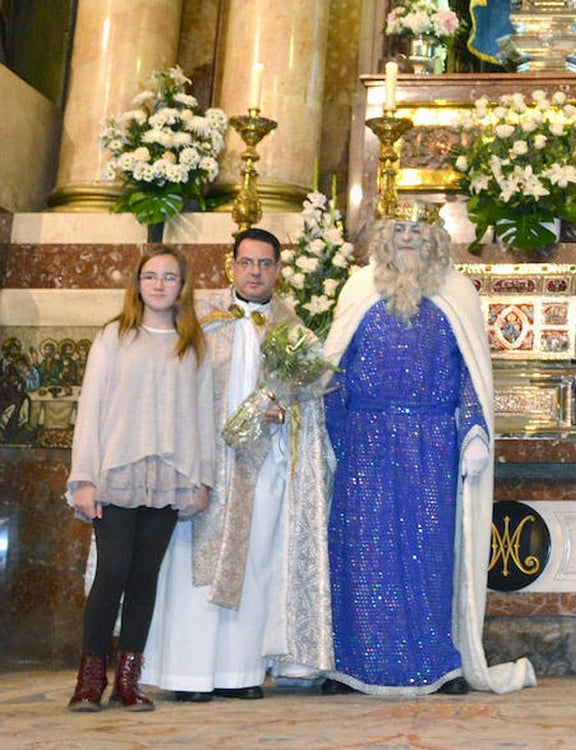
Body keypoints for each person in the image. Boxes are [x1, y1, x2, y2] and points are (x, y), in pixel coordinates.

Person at [321, 202, 535, 696]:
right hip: (365, 441)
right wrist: (327, 425)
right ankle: (355, 665)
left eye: (418, 230)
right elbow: (336, 368)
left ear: (436, 237)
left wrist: (474, 433)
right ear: (383, 235)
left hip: (431, 442)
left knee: (429, 554)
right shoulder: (358, 287)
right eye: (398, 229)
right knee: (362, 554)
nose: (407, 238)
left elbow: (471, 376)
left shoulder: (457, 292)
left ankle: (437, 664)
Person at [143, 228, 334, 701]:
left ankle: (240, 673)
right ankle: (186, 676)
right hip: (206, 464)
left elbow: (310, 401)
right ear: (231, 265)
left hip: (263, 468)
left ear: (278, 270)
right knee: (196, 567)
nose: (255, 272)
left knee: (257, 564)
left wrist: (286, 409)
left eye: (265, 264)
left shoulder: (293, 329)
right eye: (247, 262)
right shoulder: (200, 318)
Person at [66, 246, 214, 711]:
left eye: (169, 278)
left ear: (182, 286)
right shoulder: (114, 336)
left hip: (169, 476)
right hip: (118, 472)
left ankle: (128, 680)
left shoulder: (191, 342)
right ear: (137, 283)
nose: (159, 285)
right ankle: (90, 679)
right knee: (112, 573)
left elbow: (201, 415)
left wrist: (202, 476)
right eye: (151, 276)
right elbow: (91, 409)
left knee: (145, 577)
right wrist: (85, 477)